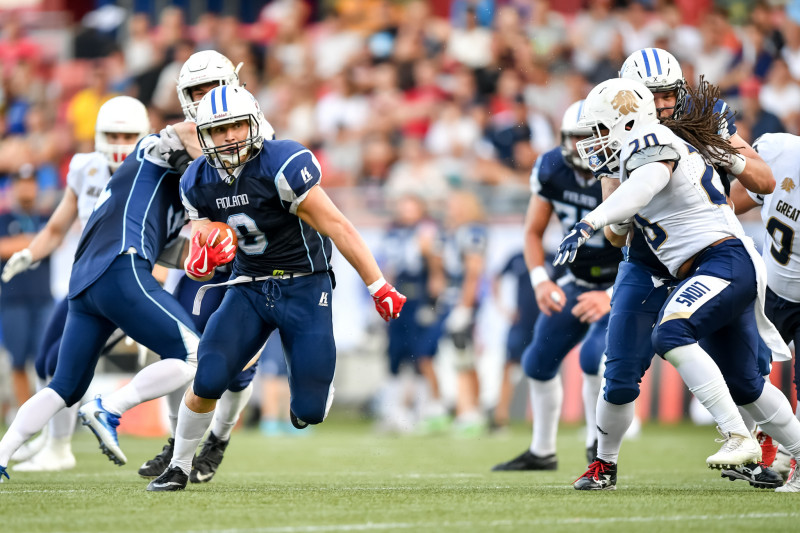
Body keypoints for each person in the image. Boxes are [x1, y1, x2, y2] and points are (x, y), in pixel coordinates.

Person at [146, 85, 406, 491]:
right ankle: (178, 466)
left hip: (305, 285)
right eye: (220, 129)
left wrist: (378, 284)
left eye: (236, 126)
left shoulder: (281, 163)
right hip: (249, 285)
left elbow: (338, 226)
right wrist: (199, 259)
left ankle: (316, 381)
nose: (230, 136)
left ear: (252, 123)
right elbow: (201, 240)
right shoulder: (197, 179)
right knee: (209, 377)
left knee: (309, 412)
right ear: (206, 136)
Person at [558, 77, 800, 493]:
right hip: (695, 263)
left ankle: (738, 436)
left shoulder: (651, 139)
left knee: (672, 332)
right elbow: (625, 223)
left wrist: (590, 220)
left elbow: (648, 183)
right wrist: (613, 218)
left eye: (600, 130)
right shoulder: (632, 149)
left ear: (626, 118)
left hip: (718, 259)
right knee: (743, 382)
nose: (594, 140)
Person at [0, 108, 203, 482]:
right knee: (194, 353)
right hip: (121, 271)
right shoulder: (152, 153)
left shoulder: (136, 182)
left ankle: (2, 453)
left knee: (63, 384)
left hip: (85, 282)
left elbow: (165, 247)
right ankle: (109, 408)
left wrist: (201, 254)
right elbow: (184, 133)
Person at [1, 96, 150, 472]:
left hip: (126, 285)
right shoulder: (86, 169)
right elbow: (56, 227)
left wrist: (152, 290)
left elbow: (166, 239)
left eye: (128, 135)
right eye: (112, 134)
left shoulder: (156, 172)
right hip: (84, 283)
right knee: (46, 363)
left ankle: (178, 446)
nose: (119, 143)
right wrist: (30, 253)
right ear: (98, 135)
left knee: (65, 368)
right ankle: (55, 444)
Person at [136, 49, 259, 486]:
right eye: (197, 91)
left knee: (238, 369)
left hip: (250, 260)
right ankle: (178, 445)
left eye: (214, 87)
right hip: (199, 261)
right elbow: (143, 194)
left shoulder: (254, 128)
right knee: (181, 349)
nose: (207, 96)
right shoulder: (171, 139)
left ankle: (218, 441)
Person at [492, 101, 622, 471]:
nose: (584, 147)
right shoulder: (551, 167)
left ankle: (597, 445)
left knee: (593, 359)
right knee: (537, 360)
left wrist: (612, 296)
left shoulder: (629, 172)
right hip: (577, 278)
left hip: (624, 281)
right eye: (576, 137)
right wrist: (540, 280)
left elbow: (649, 247)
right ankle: (542, 450)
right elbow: (533, 232)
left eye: (592, 138)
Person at [730, 132, 800, 490]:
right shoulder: (778, 150)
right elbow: (733, 203)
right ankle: (762, 439)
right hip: (771, 288)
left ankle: (796, 462)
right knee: (744, 367)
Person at [377, 193, 447, 434]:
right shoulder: (392, 232)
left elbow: (437, 268)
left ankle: (420, 411)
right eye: (403, 207)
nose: (406, 212)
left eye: (411, 207)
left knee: (419, 354)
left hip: (418, 294)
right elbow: (388, 268)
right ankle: (393, 411)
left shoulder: (428, 230)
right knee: (395, 353)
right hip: (398, 294)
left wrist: (432, 301)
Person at [431, 190, 489, 437]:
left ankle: (470, 410)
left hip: (465, 300)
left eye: (455, 204)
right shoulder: (450, 232)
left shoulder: (473, 231)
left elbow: (473, 271)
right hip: (452, 298)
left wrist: (465, 307)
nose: (450, 208)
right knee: (458, 356)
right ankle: (469, 409)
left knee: (463, 354)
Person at [0, 169, 53, 415]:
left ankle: (42, 413)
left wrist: (24, 242)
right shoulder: (5, 218)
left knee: (44, 358)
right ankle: (23, 413)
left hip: (43, 298)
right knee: (18, 358)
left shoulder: (47, 217)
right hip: (13, 299)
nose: (26, 189)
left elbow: (57, 240)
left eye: (30, 183)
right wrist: (38, 241)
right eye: (21, 184)